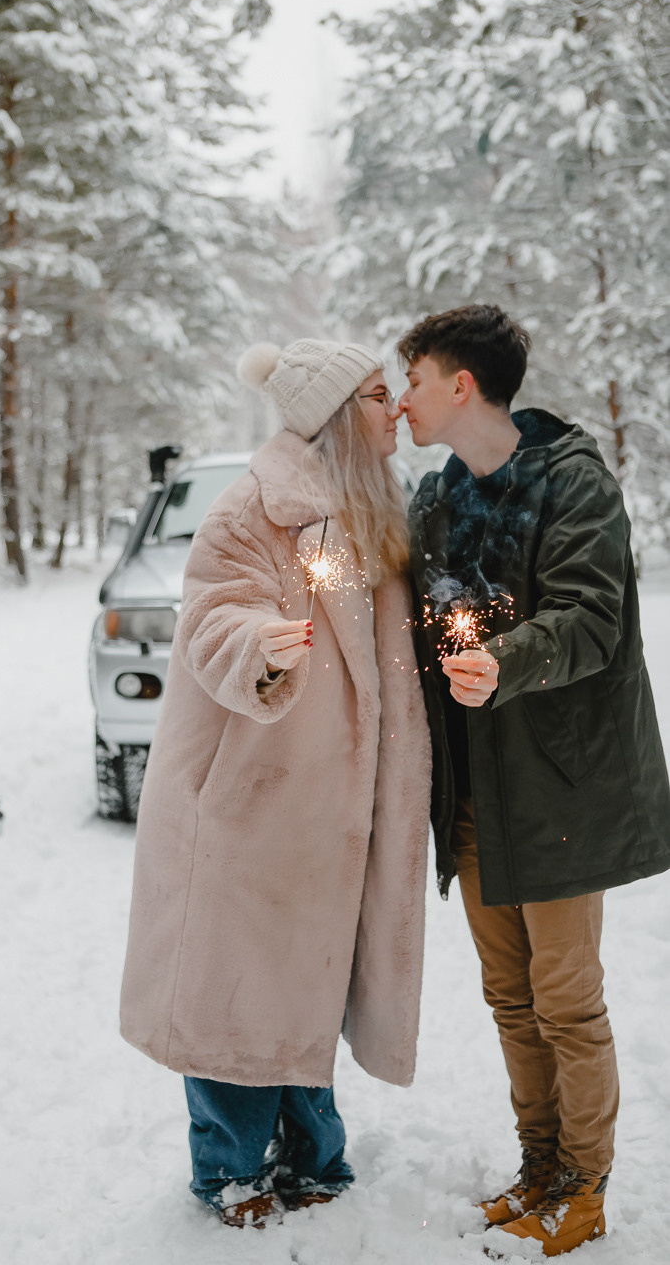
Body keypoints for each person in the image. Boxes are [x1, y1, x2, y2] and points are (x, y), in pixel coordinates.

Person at [120, 337, 431, 1228]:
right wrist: (258, 647)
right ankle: (229, 1170)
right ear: (335, 417)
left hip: (330, 804)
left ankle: (312, 1154)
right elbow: (211, 612)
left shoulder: (375, 511)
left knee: (307, 978)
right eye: (375, 395)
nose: (393, 409)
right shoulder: (256, 507)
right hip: (250, 799)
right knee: (237, 991)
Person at [396, 303, 670, 1258]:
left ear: (460, 384)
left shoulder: (572, 482)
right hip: (474, 790)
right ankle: (539, 1167)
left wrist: (504, 661)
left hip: (558, 785)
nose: (402, 400)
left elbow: (593, 618)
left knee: (564, 1000)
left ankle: (584, 1185)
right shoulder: (433, 500)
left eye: (413, 381)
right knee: (510, 999)